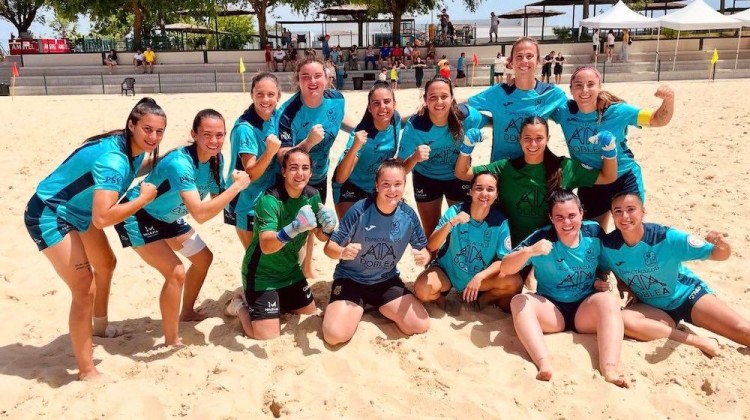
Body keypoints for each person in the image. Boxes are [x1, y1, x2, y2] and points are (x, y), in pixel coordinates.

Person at [24, 98, 166, 379]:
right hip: (49, 213)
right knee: (84, 289)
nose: (153, 137)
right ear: (131, 125)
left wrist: (180, 152)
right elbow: (103, 218)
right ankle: (86, 370)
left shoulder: (130, 146)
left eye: (159, 132)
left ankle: (99, 327)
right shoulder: (113, 161)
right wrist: (144, 198)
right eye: (147, 129)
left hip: (79, 210)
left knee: (106, 263)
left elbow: (140, 165)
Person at [115, 110, 250, 345]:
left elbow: (217, 199)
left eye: (219, 135)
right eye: (207, 134)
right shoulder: (180, 163)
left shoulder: (217, 160)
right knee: (176, 272)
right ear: (194, 134)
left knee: (204, 258)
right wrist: (236, 187)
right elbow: (200, 213)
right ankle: (171, 339)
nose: (214, 141)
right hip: (138, 215)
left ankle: (187, 311)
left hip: (168, 217)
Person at [502, 189, 629, 387]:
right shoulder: (542, 237)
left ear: (581, 213)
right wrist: (530, 251)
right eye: (559, 217)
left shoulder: (594, 232)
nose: (567, 223)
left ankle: (609, 368)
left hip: (584, 308)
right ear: (551, 218)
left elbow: (607, 262)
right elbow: (506, 267)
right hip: (552, 309)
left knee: (609, 301)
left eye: (572, 216)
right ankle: (544, 363)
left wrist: (602, 280)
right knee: (519, 301)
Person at [600, 193, 750, 355]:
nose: (625, 216)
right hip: (654, 307)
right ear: (613, 216)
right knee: (624, 321)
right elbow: (603, 267)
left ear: (643, 211)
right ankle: (700, 342)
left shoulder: (666, 237)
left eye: (631, 209)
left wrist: (723, 246)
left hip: (689, 296)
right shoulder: (609, 246)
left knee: (744, 331)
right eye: (618, 211)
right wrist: (621, 282)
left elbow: (717, 255)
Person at [224, 148, 337, 340]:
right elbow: (267, 246)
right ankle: (239, 306)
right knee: (265, 336)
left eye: (305, 168)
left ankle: (272, 303)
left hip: (291, 272)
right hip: (262, 275)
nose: (299, 173)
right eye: (293, 168)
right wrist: (294, 227)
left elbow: (320, 236)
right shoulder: (269, 201)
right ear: (283, 171)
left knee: (309, 313)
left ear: (311, 172)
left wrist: (328, 228)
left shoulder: (312, 195)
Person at [455, 117, 618, 247]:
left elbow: (608, 177)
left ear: (548, 139)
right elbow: (462, 173)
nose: (533, 144)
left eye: (539, 138)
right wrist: (467, 147)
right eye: (527, 138)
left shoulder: (564, 167)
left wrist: (610, 151)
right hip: (511, 247)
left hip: (550, 248)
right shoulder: (505, 167)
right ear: (519, 139)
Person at [550, 66, 674, 228]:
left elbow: (657, 120)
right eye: (578, 85)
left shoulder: (618, 111)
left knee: (629, 230)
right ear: (571, 89)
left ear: (599, 87)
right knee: (593, 236)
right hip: (591, 181)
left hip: (623, 178)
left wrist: (669, 99)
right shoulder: (565, 112)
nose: (584, 90)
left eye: (591, 84)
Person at [322, 160, 430, 345]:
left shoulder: (408, 215)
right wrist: (343, 252)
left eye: (397, 184)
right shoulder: (360, 209)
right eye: (386, 184)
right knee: (334, 336)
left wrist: (424, 257)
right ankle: (355, 308)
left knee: (419, 325)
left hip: (385, 281)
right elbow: (329, 249)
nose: (392, 190)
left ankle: (376, 305)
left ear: (404, 186)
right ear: (377, 186)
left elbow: (424, 250)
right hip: (351, 279)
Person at [414, 171, 522, 310]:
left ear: (496, 195)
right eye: (479, 188)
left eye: (490, 189)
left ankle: (483, 300)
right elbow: (432, 245)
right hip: (448, 271)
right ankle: (441, 300)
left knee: (515, 282)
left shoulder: (500, 222)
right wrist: (451, 223)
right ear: (470, 192)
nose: (484, 193)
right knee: (422, 290)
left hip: (480, 276)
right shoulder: (455, 211)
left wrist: (480, 277)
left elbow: (502, 260)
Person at [397, 76, 489, 237]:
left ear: (452, 97)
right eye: (433, 97)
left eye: (444, 96)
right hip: (426, 178)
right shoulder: (416, 125)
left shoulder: (467, 116)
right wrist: (414, 158)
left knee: (463, 230)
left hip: (458, 176)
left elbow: (493, 121)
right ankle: (433, 262)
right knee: (432, 232)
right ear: (425, 100)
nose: (439, 102)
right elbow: (399, 170)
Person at [467, 37, 568, 162]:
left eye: (529, 56)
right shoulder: (498, 92)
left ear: (538, 61)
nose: (524, 61)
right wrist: (491, 121)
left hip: (534, 168)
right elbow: (467, 107)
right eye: (519, 57)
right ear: (511, 62)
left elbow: (576, 115)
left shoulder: (551, 94)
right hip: (501, 167)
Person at [277, 57, 348, 205]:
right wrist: (308, 143)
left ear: (327, 78)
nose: (312, 81)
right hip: (293, 181)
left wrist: (361, 129)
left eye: (317, 76)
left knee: (316, 226)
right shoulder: (287, 114)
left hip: (320, 176)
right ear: (298, 80)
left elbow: (339, 117)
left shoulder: (337, 99)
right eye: (306, 77)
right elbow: (282, 157)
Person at [224, 73, 283, 249]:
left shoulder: (277, 116)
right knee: (255, 258)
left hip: (269, 198)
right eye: (259, 94)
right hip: (245, 202)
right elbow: (251, 173)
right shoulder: (245, 129)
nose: (265, 99)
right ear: (252, 95)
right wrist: (270, 152)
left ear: (278, 96)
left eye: (271, 94)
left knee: (272, 255)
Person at [333, 81, 400, 218]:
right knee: (349, 235)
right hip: (350, 185)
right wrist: (355, 147)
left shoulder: (395, 120)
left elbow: (409, 121)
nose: (382, 107)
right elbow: (341, 177)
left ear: (394, 104)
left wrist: (423, 109)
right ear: (369, 108)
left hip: (377, 187)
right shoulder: (362, 134)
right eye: (376, 103)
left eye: (387, 101)